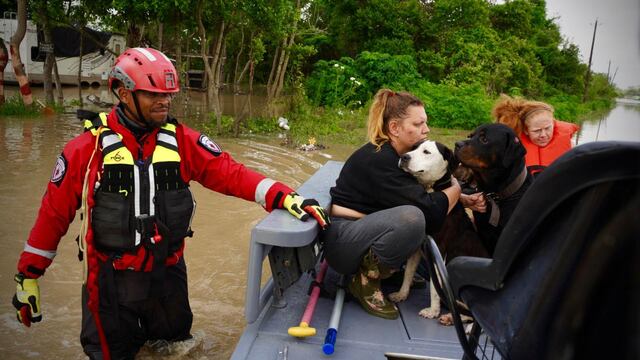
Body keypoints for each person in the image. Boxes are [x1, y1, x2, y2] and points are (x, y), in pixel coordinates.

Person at [11, 47, 330, 360]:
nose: (164, 101)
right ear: (123, 93)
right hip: (109, 283)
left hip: (167, 278)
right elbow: (53, 216)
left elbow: (232, 174)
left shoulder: (181, 142)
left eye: (168, 94)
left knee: (178, 350)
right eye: (153, 94)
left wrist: (285, 195)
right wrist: (28, 277)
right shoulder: (85, 150)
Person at [321, 89, 461, 320]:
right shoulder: (380, 160)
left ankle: (389, 272)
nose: (426, 130)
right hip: (344, 244)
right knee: (413, 218)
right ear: (395, 128)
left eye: (425, 123)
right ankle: (364, 282)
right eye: (418, 124)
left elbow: (419, 195)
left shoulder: (399, 156)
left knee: (415, 219)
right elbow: (431, 213)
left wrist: (460, 198)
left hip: (360, 233)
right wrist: (457, 189)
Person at [492, 95, 579, 176]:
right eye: (537, 131)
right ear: (526, 130)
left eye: (547, 128)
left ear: (553, 124)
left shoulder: (571, 146)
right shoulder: (514, 149)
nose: (543, 135)